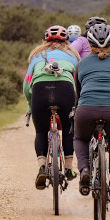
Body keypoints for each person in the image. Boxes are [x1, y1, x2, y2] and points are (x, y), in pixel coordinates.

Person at [73, 22, 110, 204]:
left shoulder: (81, 64)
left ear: (89, 44)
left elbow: (78, 93)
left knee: (80, 138)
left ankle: (85, 171)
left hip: (86, 109)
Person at [24, 25, 80, 188]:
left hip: (40, 91)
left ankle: (42, 168)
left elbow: (27, 83)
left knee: (41, 132)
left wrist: (30, 105)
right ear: (67, 41)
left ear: (44, 41)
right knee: (69, 130)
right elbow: (79, 81)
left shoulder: (36, 54)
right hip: (65, 90)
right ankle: (69, 169)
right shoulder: (72, 54)